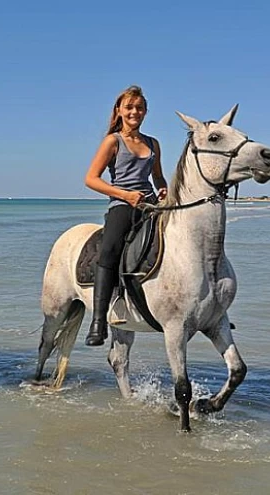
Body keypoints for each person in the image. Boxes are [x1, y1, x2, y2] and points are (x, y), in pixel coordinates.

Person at [83, 85, 167, 346]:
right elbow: (91, 180)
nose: (135, 112)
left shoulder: (153, 143)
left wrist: (163, 188)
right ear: (119, 111)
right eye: (129, 107)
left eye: (139, 108)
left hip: (149, 205)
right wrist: (125, 195)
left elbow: (157, 176)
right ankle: (98, 321)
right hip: (122, 205)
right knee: (109, 251)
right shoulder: (112, 141)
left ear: (146, 112)